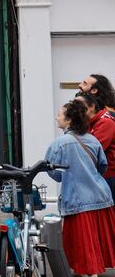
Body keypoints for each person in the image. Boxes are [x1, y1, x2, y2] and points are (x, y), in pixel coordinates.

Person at [45, 99, 115, 276]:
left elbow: (51, 171)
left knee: (82, 246)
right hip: (100, 197)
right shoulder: (92, 139)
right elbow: (102, 166)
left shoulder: (59, 143)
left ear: (69, 120)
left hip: (77, 200)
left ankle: (89, 272)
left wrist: (68, 177)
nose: (56, 118)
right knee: (96, 242)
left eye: (59, 114)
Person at [76, 93, 115, 199]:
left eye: (79, 105)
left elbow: (91, 151)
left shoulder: (105, 122)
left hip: (109, 176)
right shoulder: (90, 122)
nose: (76, 109)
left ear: (92, 106)